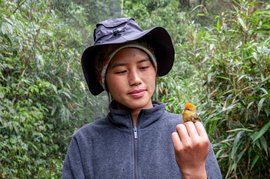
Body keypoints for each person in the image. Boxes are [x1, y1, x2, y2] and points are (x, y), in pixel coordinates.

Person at [62, 17, 222, 179]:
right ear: (102, 79)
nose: (135, 79)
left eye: (144, 67)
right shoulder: (85, 142)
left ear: (155, 69)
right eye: (121, 71)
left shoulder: (187, 133)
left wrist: (195, 171)